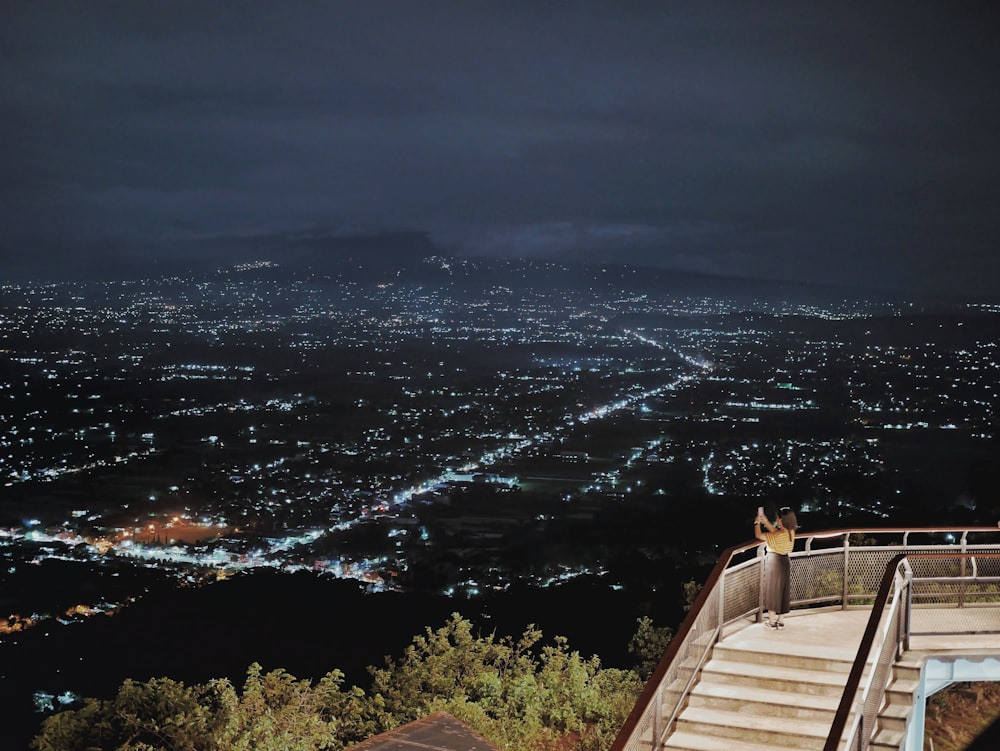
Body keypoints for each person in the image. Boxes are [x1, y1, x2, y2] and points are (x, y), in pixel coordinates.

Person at [754, 506, 798, 629]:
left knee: (772, 590)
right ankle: (780, 620)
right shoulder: (790, 532)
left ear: (781, 520)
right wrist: (766, 522)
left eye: (778, 518)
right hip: (785, 561)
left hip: (774, 561)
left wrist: (757, 522)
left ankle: (772, 622)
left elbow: (759, 535)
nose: (777, 520)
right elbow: (775, 532)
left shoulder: (778, 535)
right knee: (783, 590)